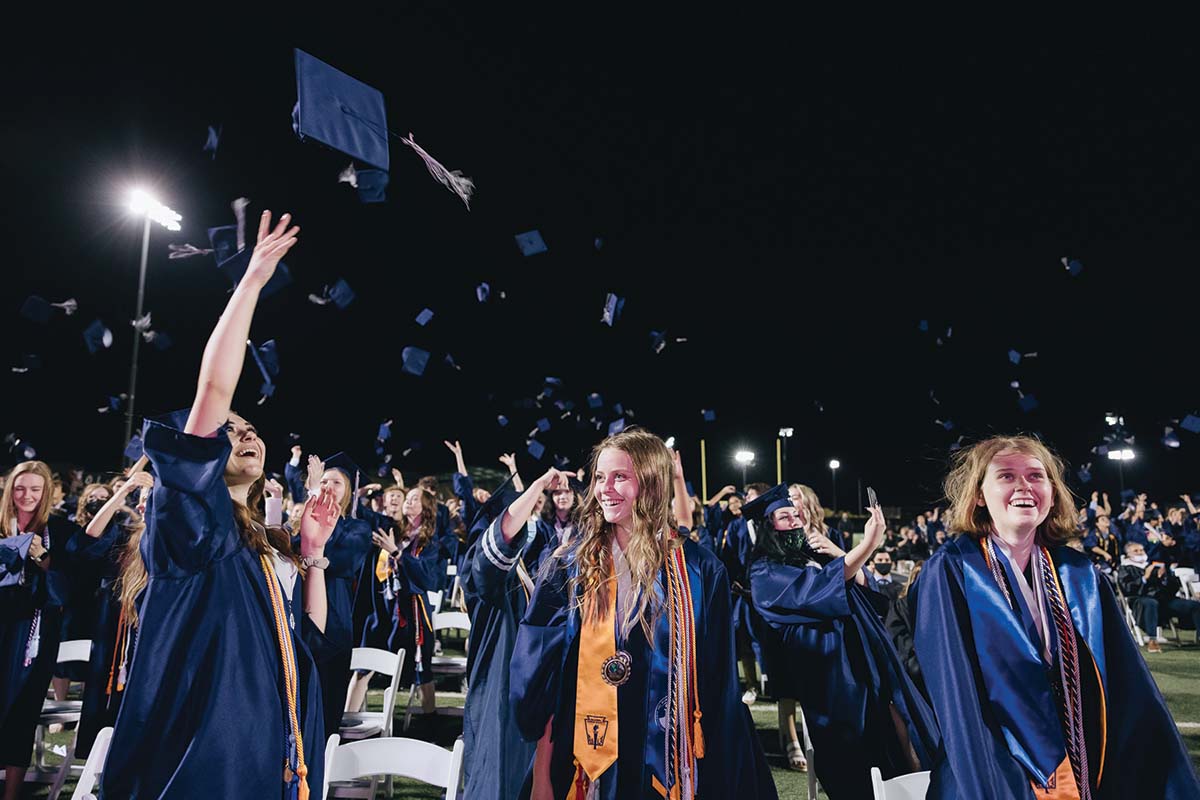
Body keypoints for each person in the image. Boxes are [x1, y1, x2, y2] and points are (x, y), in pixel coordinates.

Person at [101, 210, 338, 799]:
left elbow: (307, 642)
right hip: (206, 762)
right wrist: (250, 283)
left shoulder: (252, 542)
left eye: (252, 428)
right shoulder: (191, 526)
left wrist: (311, 553)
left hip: (269, 750)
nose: (246, 434)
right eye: (228, 433)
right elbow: (213, 391)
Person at [913, 435, 1200, 799]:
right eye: (1006, 476)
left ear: (1052, 490)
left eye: (1036, 476)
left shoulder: (1080, 575)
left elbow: (1128, 686)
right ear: (979, 495)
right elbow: (957, 698)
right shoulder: (952, 572)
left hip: (1082, 765)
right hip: (990, 764)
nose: (1024, 486)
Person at [510, 428, 776, 799]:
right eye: (601, 477)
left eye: (620, 477)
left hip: (667, 767)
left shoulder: (700, 571)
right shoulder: (568, 567)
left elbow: (717, 687)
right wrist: (542, 777)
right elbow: (543, 682)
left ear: (652, 483)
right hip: (584, 766)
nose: (605, 489)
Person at [749, 484, 939, 799]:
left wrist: (841, 553)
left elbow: (870, 591)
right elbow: (824, 587)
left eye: (796, 514)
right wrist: (869, 543)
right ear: (767, 527)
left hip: (864, 660)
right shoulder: (765, 572)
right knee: (854, 757)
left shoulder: (814, 551)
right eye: (785, 517)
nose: (796, 521)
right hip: (829, 676)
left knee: (898, 730)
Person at [461, 469, 569, 800]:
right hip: (499, 677)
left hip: (523, 680)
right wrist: (536, 486)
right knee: (498, 766)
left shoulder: (524, 568)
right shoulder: (483, 562)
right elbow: (499, 544)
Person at [1, 460, 84, 800]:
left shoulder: (59, 531)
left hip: (32, 635)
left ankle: (11, 794)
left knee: (22, 712)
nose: (27, 495)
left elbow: (69, 589)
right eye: (20, 488)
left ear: (46, 492)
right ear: (9, 490)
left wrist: (42, 556)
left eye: (35, 489)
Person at [69, 467, 153, 758]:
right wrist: (123, 491)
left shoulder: (177, 538)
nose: (146, 503)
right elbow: (89, 539)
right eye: (143, 498)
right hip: (119, 633)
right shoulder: (124, 535)